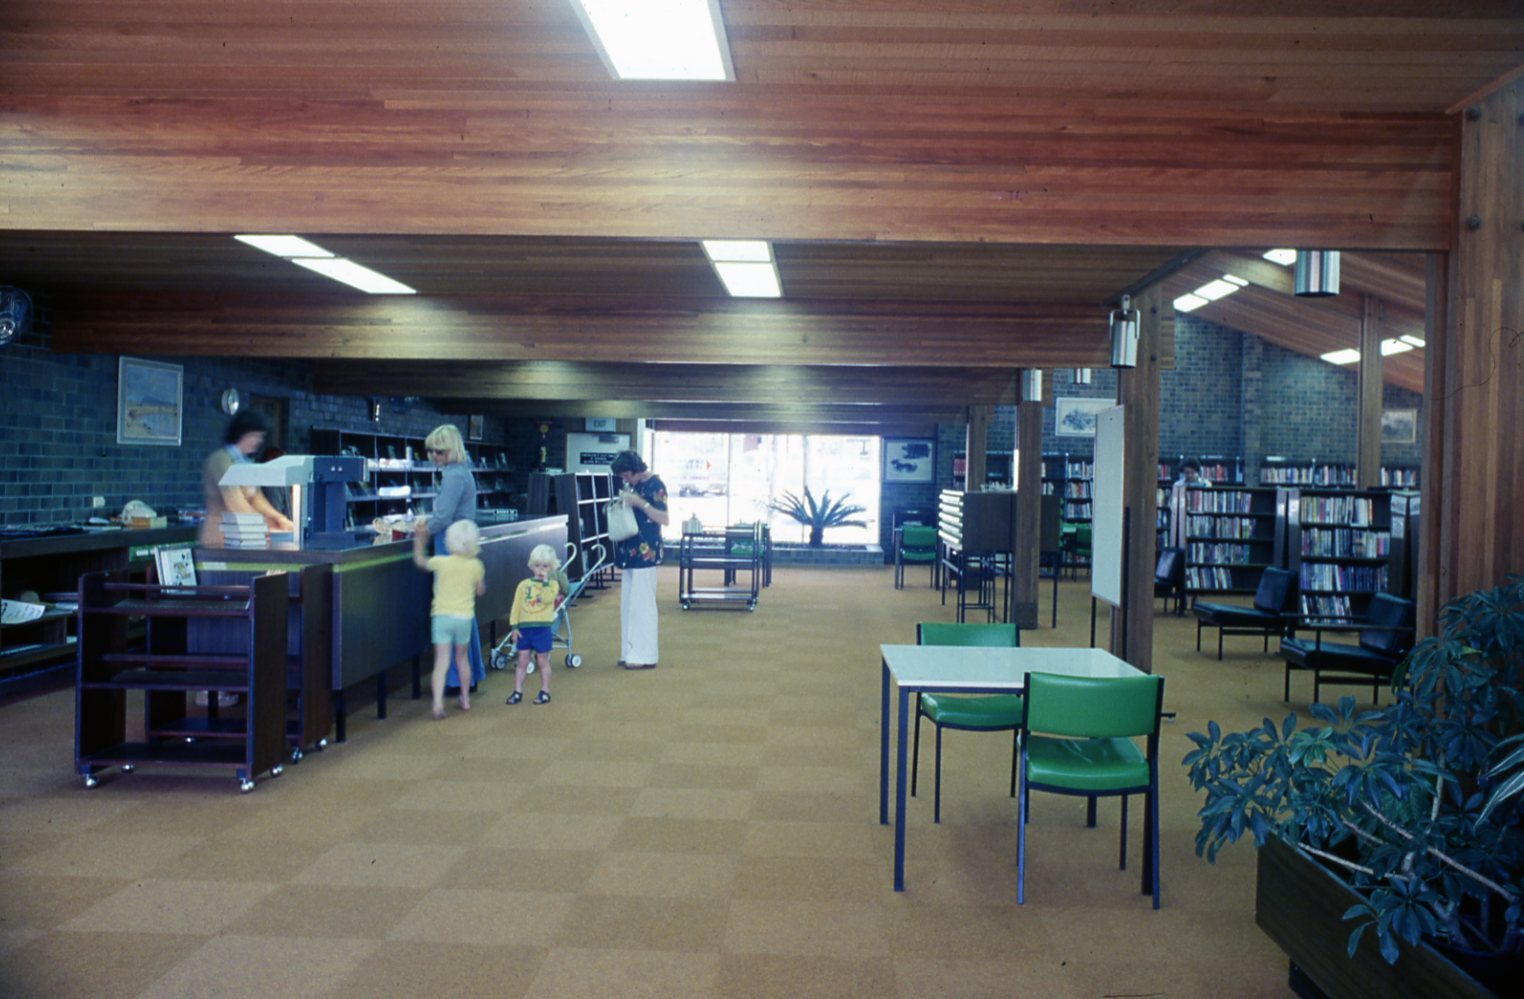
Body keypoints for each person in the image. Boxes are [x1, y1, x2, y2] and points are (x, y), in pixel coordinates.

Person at [413, 423, 484, 693]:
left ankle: (455, 679)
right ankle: (471, 674)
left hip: (450, 543)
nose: (434, 457)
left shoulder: (453, 476)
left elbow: (442, 516)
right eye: (431, 452)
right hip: (463, 542)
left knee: (450, 608)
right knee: (464, 610)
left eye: (439, 452)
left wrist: (422, 529)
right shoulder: (462, 472)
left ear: (451, 449)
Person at [412, 519, 485, 719]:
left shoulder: (441, 562)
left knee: (441, 662)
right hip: (463, 618)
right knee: (461, 659)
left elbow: (420, 561)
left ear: (449, 542)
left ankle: (437, 704)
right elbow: (479, 590)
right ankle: (465, 698)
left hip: (442, 617)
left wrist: (419, 540)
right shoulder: (476, 565)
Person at [199, 409, 295, 548]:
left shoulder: (245, 462)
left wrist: (279, 518)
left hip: (244, 538)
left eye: (260, 437)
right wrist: (268, 526)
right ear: (242, 434)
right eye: (255, 436)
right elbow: (236, 504)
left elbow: (257, 498)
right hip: (220, 538)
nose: (259, 441)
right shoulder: (221, 460)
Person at [609, 450, 669, 670]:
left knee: (643, 604)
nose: (624, 479)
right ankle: (629, 651)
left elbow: (664, 518)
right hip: (630, 551)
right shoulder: (633, 486)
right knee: (628, 604)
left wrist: (639, 503)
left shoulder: (656, 484)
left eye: (626, 474)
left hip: (646, 552)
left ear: (635, 469)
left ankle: (645, 654)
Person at [506, 544, 562, 705]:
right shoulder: (523, 585)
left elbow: (547, 599)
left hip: (542, 628)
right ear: (531, 566)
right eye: (537, 566)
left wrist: (544, 582)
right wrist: (514, 627)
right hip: (524, 628)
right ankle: (517, 691)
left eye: (545, 566)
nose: (540, 570)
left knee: (542, 660)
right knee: (522, 660)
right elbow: (516, 606)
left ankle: (545, 691)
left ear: (551, 568)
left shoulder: (552, 585)